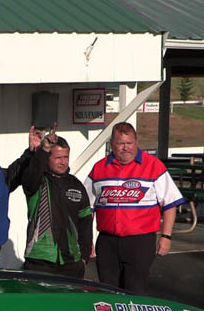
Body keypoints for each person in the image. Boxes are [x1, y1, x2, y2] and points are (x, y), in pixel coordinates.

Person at [84, 122, 185, 294]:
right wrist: (87, 240)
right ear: (112, 144)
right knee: (107, 292)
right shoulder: (99, 168)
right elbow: (87, 207)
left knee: (135, 291)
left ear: (136, 141)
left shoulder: (154, 166)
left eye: (129, 143)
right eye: (120, 143)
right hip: (107, 242)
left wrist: (166, 236)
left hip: (140, 242)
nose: (125, 148)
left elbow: (169, 203)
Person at [21, 135, 92, 278]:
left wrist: (84, 257)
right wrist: (44, 149)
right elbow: (32, 174)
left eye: (66, 157)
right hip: (39, 260)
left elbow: (86, 222)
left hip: (71, 261)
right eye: (58, 158)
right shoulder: (37, 182)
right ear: (48, 158)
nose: (63, 162)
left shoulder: (76, 185)